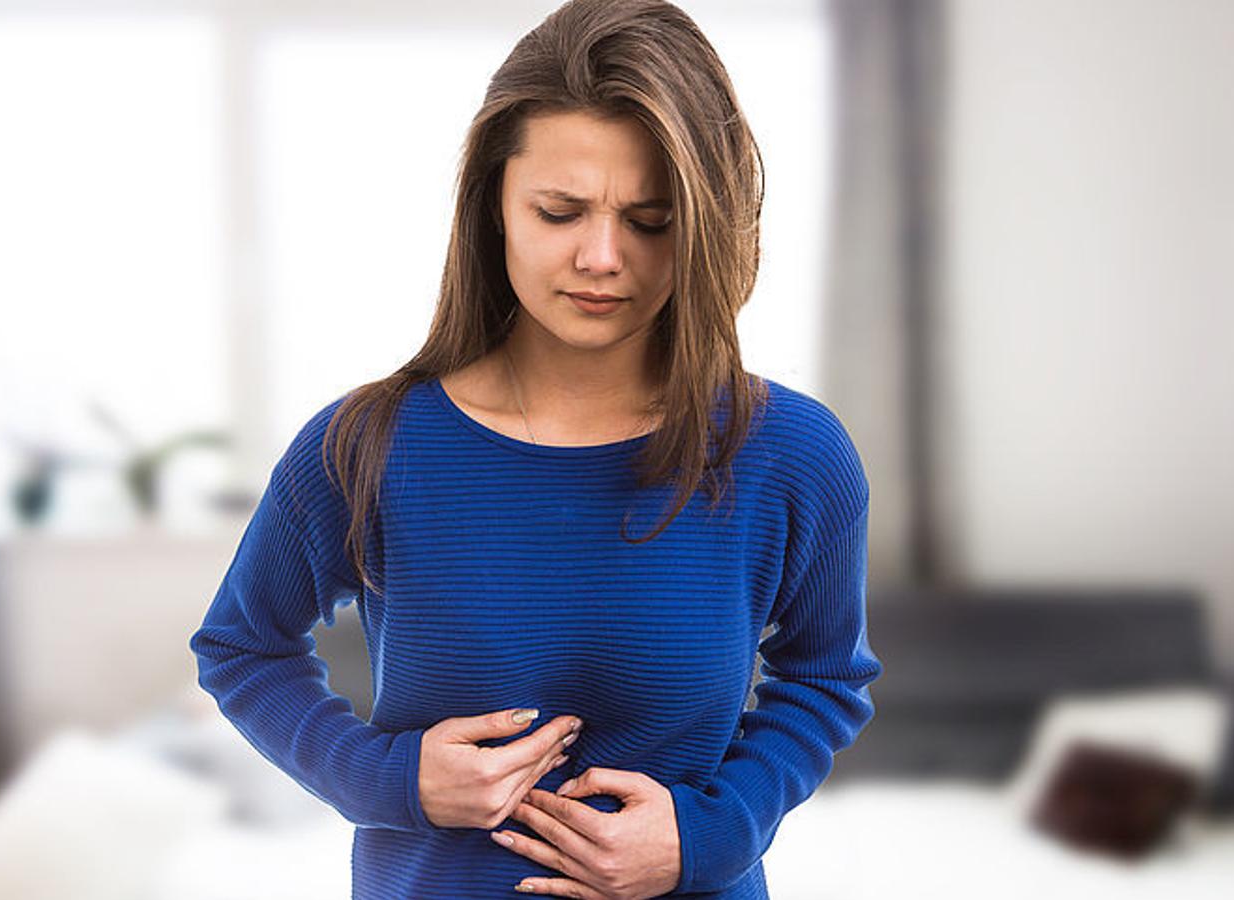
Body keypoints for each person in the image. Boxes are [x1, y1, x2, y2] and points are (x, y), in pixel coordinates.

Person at [187, 1, 882, 898]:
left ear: (705, 225)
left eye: (652, 220)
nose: (602, 255)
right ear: (494, 209)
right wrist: (385, 778)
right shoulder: (365, 446)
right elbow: (241, 649)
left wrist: (710, 834)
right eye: (560, 211)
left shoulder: (792, 454)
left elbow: (825, 679)